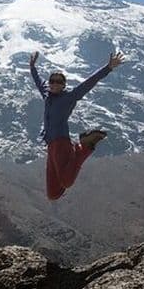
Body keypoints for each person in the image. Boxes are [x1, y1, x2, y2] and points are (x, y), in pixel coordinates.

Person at [29, 50, 125, 200]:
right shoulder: (47, 96)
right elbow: (38, 82)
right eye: (52, 81)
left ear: (63, 85)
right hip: (51, 146)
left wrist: (108, 67)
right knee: (53, 194)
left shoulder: (69, 97)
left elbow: (88, 83)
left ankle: (84, 146)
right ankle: (80, 148)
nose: (54, 83)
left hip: (61, 143)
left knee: (66, 182)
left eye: (58, 82)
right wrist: (32, 67)